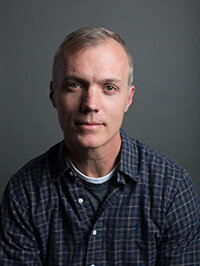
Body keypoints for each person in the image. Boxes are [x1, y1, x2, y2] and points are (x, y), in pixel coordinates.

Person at [0, 27, 199, 265]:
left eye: (109, 88)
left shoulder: (171, 189)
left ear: (129, 98)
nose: (91, 104)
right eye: (75, 85)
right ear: (54, 95)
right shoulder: (24, 194)